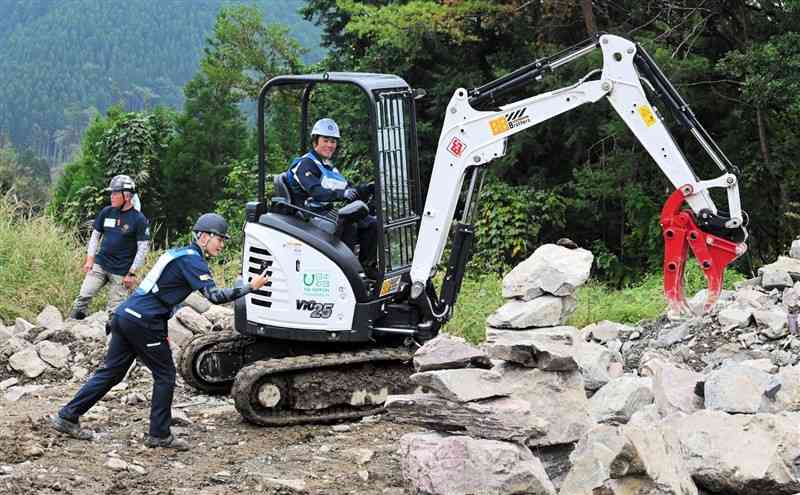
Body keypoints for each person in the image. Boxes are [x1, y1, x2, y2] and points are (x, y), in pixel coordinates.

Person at [50, 213, 269, 451]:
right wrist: (250, 287)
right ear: (204, 236)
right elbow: (214, 296)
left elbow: (158, 292)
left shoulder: (178, 253)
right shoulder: (193, 261)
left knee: (112, 372)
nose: (222, 244)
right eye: (220, 239)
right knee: (165, 375)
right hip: (144, 321)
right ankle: (159, 434)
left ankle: (67, 416)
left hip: (126, 315)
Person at [286, 118, 379, 277]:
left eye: (333, 141)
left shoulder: (328, 168)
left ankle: (367, 268)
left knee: (372, 223)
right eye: (326, 140)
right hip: (311, 216)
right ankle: (348, 273)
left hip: (329, 213)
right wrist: (341, 194)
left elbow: (348, 189)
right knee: (348, 223)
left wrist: (368, 188)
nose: (330, 145)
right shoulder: (304, 164)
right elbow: (316, 192)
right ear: (315, 140)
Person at [68, 174, 150, 320]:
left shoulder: (139, 219)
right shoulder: (107, 212)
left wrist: (132, 273)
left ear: (127, 196)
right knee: (82, 297)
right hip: (100, 264)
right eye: (111, 193)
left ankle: (110, 339)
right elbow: (95, 236)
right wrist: (90, 259)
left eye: (115, 193)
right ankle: (72, 328)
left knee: (115, 311)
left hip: (121, 272)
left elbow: (142, 249)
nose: (111, 196)